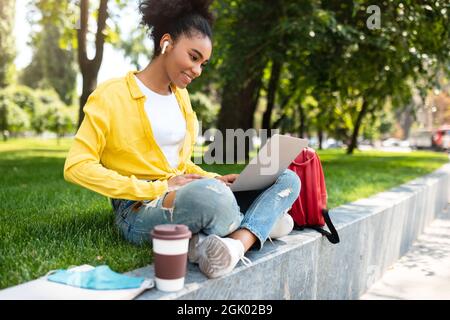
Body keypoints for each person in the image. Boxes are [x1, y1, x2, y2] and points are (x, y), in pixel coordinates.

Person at [63, 0, 301, 279]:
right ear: (166, 43)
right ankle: (256, 226)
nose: (198, 70)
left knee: (286, 179)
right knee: (222, 203)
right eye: (193, 56)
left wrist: (213, 177)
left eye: (203, 63)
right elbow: (76, 166)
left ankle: (234, 244)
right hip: (140, 207)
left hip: (187, 193)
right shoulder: (111, 95)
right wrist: (157, 188)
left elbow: (179, 163)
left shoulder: (180, 97)